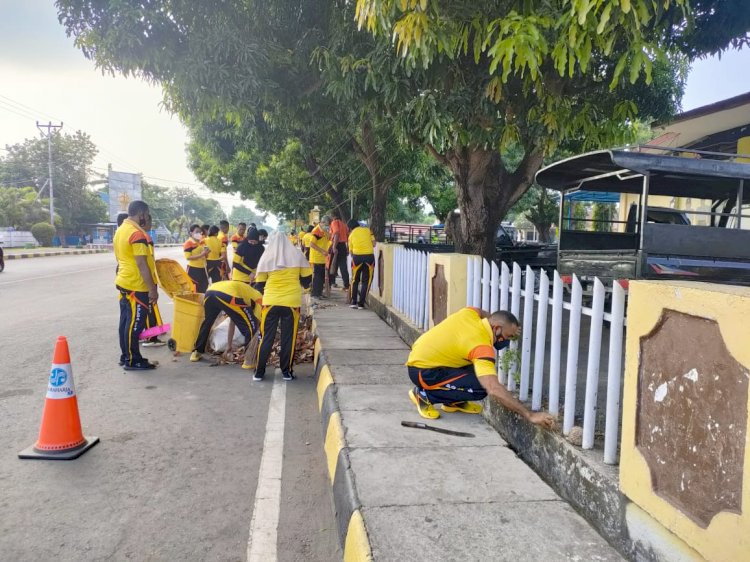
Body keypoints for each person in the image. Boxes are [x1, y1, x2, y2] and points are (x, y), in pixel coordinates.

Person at [406, 307, 556, 429]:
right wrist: (530, 415)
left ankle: (453, 402)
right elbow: (493, 388)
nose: (508, 340)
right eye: (508, 336)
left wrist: (508, 326)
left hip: (423, 359)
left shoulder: (469, 314)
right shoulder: (481, 346)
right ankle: (424, 396)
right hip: (423, 372)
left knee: (477, 369)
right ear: (496, 329)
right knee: (481, 387)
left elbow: (481, 312)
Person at [252, 232, 312, 381]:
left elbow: (259, 284)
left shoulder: (267, 257)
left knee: (266, 337)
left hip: (270, 302)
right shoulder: (297, 255)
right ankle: (286, 372)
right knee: (288, 338)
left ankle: (259, 372)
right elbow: (306, 280)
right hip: (291, 303)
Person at [113, 200, 159, 370]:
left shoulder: (121, 230)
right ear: (141, 214)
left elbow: (119, 258)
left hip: (124, 282)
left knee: (126, 322)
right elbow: (141, 264)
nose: (147, 218)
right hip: (136, 285)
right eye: (146, 215)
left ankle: (126, 356)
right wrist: (152, 289)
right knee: (135, 324)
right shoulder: (136, 234)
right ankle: (133, 360)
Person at [190, 280, 263, 367]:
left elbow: (233, 321)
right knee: (252, 327)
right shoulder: (259, 298)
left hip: (210, 292)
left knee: (208, 322)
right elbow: (257, 324)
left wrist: (229, 346)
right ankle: (249, 360)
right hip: (228, 295)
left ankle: (197, 352)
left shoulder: (245, 292)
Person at [142, 212, 166, 347]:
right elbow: (145, 261)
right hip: (148, 280)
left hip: (149, 278)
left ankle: (149, 335)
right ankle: (151, 338)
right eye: (150, 222)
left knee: (149, 310)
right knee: (149, 309)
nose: (151, 225)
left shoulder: (145, 237)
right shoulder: (144, 238)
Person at [347, 219, 375, 309]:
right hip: (369, 258)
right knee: (366, 281)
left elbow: (350, 251)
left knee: (355, 280)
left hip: (357, 258)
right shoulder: (368, 230)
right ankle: (361, 304)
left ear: (350, 228)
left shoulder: (351, 235)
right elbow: (374, 244)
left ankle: (354, 302)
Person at [183, 224, 210, 293]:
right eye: (196, 232)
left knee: (204, 287)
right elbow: (188, 257)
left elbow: (205, 255)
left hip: (203, 268)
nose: (199, 234)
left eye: (200, 232)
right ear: (191, 233)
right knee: (195, 289)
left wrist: (206, 253)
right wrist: (202, 254)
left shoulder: (202, 241)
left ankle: (202, 303)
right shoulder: (188, 243)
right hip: (194, 270)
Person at [308, 218, 330, 299]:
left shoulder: (324, 231)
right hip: (316, 257)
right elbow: (311, 244)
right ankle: (315, 294)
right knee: (317, 276)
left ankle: (319, 293)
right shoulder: (316, 231)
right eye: (326, 224)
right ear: (322, 222)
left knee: (321, 276)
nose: (327, 226)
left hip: (322, 258)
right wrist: (322, 251)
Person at [328, 209, 349, 289]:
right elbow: (347, 236)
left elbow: (336, 233)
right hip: (343, 245)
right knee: (343, 266)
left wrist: (334, 246)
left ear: (333, 216)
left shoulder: (334, 222)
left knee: (332, 264)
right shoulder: (344, 224)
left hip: (336, 245)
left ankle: (331, 282)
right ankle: (346, 285)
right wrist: (347, 248)